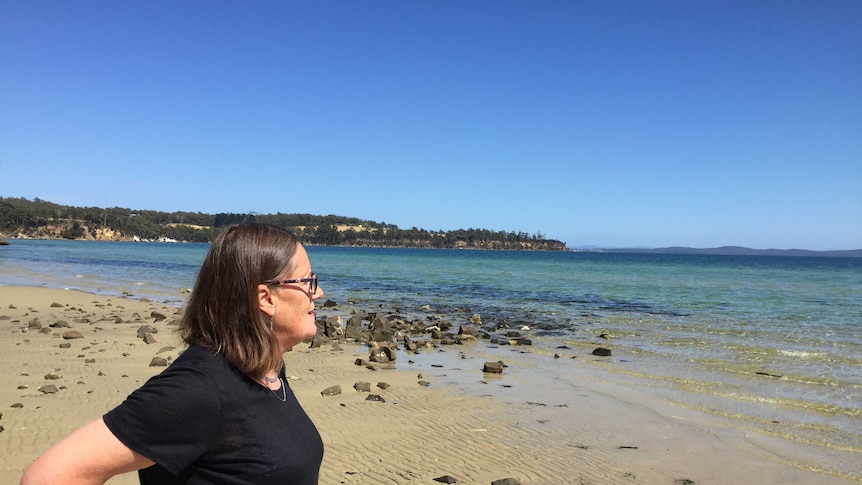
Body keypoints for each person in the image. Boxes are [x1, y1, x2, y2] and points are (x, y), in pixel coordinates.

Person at [21, 223, 326, 485]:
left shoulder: (265, 369)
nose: (319, 293)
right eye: (308, 281)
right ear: (266, 298)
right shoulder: (199, 387)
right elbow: (50, 475)